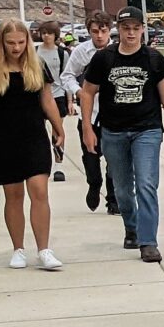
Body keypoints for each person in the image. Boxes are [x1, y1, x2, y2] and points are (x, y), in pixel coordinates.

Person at [79, 8, 164, 263]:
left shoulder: (153, 59)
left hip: (146, 130)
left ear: (143, 30)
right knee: (123, 190)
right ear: (119, 29)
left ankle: (148, 242)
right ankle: (132, 226)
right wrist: (87, 128)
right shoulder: (105, 58)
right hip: (113, 131)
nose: (131, 33)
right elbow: (87, 92)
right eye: (126, 28)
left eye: (136, 28)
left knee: (147, 184)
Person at [0, 20, 68, 270]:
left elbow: (47, 100)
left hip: (33, 135)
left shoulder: (37, 65)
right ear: (1, 43)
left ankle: (44, 250)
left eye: (21, 42)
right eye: (10, 43)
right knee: (13, 195)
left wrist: (59, 128)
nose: (16, 48)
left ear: (28, 41)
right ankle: (18, 249)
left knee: (39, 191)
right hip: (3, 137)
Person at [62, 11, 115, 212]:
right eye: (95, 32)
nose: (99, 36)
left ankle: (113, 199)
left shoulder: (118, 51)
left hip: (114, 115)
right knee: (91, 157)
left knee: (115, 161)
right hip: (90, 115)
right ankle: (94, 185)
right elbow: (67, 76)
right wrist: (79, 92)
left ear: (109, 30)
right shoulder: (81, 52)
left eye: (103, 31)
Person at [33, 20, 72, 181]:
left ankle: (58, 165)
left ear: (55, 35)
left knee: (57, 131)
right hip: (37, 95)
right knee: (38, 131)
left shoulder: (63, 53)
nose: (46, 36)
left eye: (49, 33)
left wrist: (70, 100)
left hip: (58, 95)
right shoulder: (35, 52)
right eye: (44, 33)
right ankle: (39, 163)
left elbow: (66, 77)